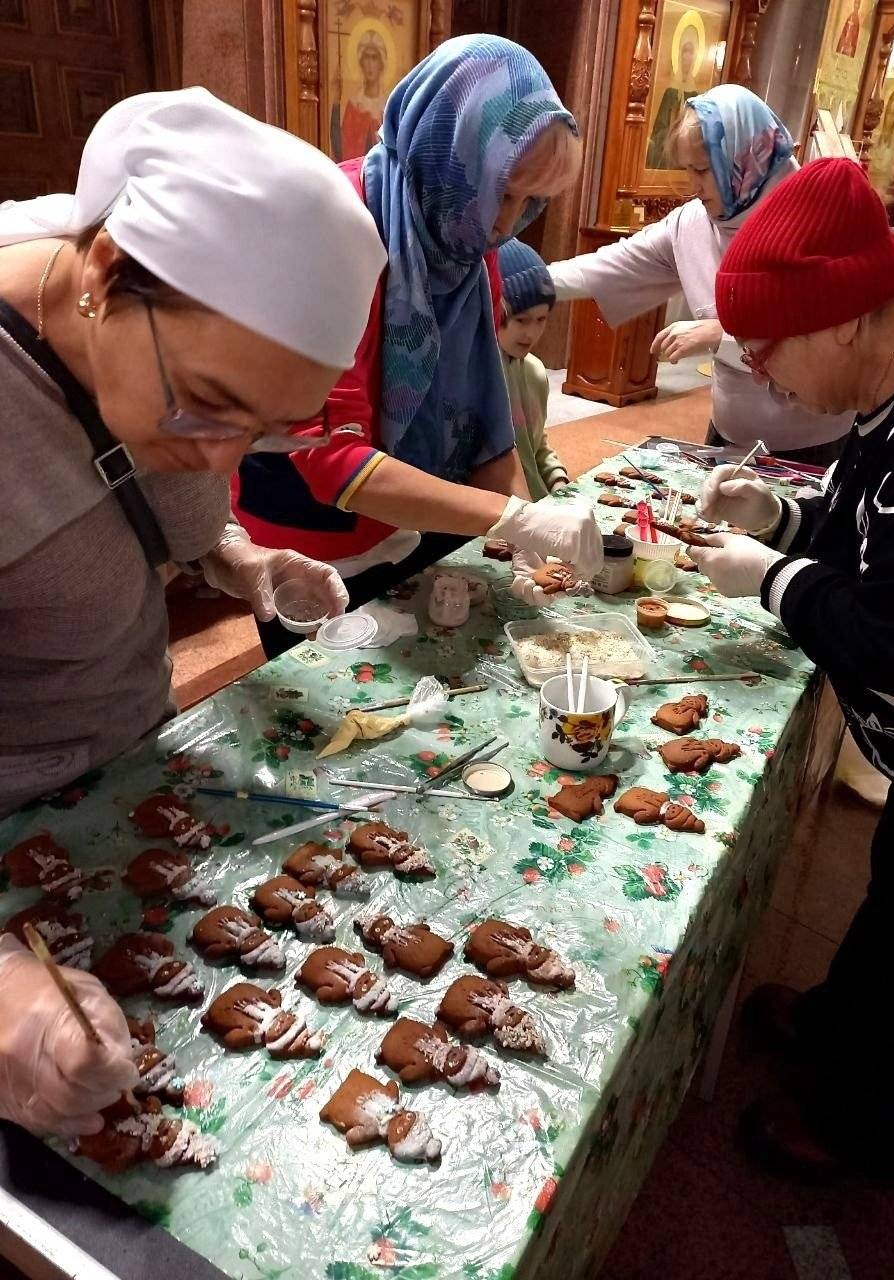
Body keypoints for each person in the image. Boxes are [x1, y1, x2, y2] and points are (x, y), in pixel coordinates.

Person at [0, 86, 389, 1135]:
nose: (225, 454)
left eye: (268, 429)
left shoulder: (162, 358)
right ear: (107, 277)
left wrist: (237, 556)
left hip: (124, 781)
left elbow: (127, 512)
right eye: (211, 405)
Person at [688, 157, 894, 1185]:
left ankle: (875, 1135)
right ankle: (844, 1021)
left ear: (843, 317)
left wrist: (771, 580)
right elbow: (864, 525)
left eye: (766, 342)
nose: (756, 369)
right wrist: (782, 516)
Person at [234, 35, 601, 658]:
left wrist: (523, 520)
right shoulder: (334, 234)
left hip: (417, 520)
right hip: (314, 542)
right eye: (502, 192)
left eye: (528, 202)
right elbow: (330, 460)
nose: (506, 223)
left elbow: (485, 415)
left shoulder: (463, 244)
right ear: (448, 152)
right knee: (326, 723)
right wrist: (507, 518)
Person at [549, 84, 854, 466]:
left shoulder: (814, 218)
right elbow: (617, 263)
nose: (693, 186)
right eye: (687, 170)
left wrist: (719, 334)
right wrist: (535, 283)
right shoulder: (696, 221)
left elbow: (827, 342)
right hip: (730, 432)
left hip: (811, 443)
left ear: (743, 159)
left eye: (703, 170)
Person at [496, 238, 568, 500]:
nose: (531, 333)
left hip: (537, 504)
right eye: (521, 320)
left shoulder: (535, 371)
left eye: (541, 320)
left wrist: (558, 480)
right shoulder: (476, 375)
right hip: (495, 512)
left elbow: (536, 444)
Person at [646, 29, 699, 169]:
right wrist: (671, 131)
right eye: (684, 52)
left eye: (690, 53)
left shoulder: (696, 95)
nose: (687, 57)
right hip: (667, 146)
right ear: (680, 57)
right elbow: (658, 128)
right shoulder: (670, 92)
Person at [334, 28, 389, 162]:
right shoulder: (354, 105)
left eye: (374, 58)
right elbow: (344, 149)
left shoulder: (388, 104)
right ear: (361, 63)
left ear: (381, 63)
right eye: (366, 58)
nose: (370, 64)